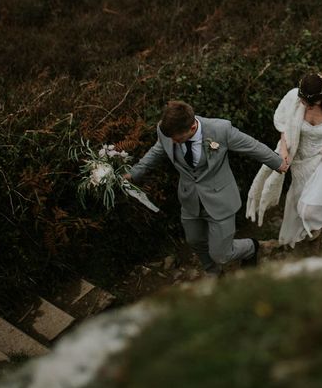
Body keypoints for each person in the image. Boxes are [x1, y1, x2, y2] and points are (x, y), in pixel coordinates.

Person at [124, 100, 289, 276]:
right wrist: (132, 174)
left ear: (192, 128)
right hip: (190, 199)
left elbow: (252, 146)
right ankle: (214, 273)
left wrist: (278, 163)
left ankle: (251, 247)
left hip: (220, 199)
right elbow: (157, 151)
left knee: (222, 254)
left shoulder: (220, 130)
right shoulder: (167, 129)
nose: (171, 141)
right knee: (195, 241)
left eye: (176, 139)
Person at [246, 72, 322, 247]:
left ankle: (317, 226)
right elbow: (285, 126)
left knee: (308, 208)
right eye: (302, 99)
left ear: (321, 99)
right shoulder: (293, 98)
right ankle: (320, 224)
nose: (303, 104)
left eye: (308, 102)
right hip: (299, 162)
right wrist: (283, 149)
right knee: (301, 197)